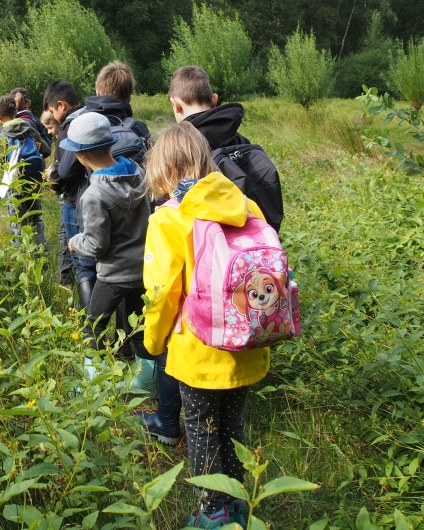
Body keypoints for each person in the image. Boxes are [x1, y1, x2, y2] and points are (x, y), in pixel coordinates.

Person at [141, 122, 270, 529]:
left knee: (200, 429)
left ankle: (213, 513)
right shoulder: (247, 206)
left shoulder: (168, 219)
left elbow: (161, 293)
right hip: (248, 343)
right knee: (233, 425)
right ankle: (239, 506)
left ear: (162, 171)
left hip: (197, 351)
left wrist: (153, 341)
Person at [63, 113, 152, 368]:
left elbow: (96, 245)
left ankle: (96, 383)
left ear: (81, 156)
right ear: (111, 144)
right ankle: (147, 383)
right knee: (139, 327)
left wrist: (75, 242)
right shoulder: (137, 172)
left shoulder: (94, 195)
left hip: (113, 275)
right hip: (143, 269)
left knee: (94, 325)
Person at [168, 65, 283, 231]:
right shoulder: (240, 140)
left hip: (205, 245)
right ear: (214, 100)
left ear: (176, 105)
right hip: (252, 242)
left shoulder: (178, 147)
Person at [43, 79, 90, 300]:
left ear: (61, 105)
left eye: (52, 110)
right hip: (90, 196)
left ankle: (88, 316)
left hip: (74, 200)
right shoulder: (89, 117)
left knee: (80, 260)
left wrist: (54, 179)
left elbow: (66, 169)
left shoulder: (69, 126)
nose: (53, 115)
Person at [0, 95, 49, 246]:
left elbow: (0, 164)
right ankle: (42, 252)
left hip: (15, 184)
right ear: (16, 111)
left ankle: (23, 256)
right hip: (34, 181)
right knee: (36, 218)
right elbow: (47, 149)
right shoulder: (28, 128)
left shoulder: (2, 136)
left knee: (18, 220)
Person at [11, 87, 52, 156]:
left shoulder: (6, 122)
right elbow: (47, 146)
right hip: (35, 163)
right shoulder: (35, 121)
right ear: (29, 103)